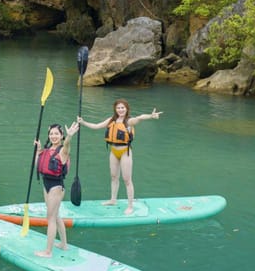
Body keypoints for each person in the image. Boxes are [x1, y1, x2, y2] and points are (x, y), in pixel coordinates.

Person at [78, 99, 162, 215]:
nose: (120, 110)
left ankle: (130, 206)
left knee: (127, 180)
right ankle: (113, 200)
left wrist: (151, 116)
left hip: (125, 152)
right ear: (115, 109)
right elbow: (96, 126)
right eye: (118, 108)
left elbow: (140, 118)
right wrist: (83, 122)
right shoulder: (111, 120)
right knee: (113, 177)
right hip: (113, 151)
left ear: (126, 109)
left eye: (123, 107)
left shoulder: (129, 121)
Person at [34, 121, 80, 258]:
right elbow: (38, 164)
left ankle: (48, 252)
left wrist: (70, 136)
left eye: (56, 134)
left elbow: (67, 145)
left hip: (56, 186)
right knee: (56, 216)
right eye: (51, 134)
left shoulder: (63, 151)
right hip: (46, 184)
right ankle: (63, 244)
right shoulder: (47, 150)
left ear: (61, 136)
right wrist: (38, 150)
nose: (53, 136)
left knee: (51, 218)